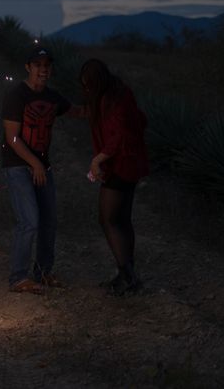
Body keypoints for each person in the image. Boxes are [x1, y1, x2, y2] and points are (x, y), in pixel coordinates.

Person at [2, 47, 84, 295]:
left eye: (46, 65)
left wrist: (104, 103)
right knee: (29, 221)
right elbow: (12, 138)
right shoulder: (17, 95)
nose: (43, 69)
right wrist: (34, 164)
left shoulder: (52, 97)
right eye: (37, 65)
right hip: (18, 165)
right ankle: (18, 277)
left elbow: (77, 112)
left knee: (49, 221)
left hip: (41, 167)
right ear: (28, 67)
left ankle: (43, 272)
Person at [79, 58, 148, 295]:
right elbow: (140, 120)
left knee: (107, 219)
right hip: (133, 165)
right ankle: (125, 274)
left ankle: (129, 277)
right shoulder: (120, 92)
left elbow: (117, 135)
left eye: (88, 85)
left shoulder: (110, 100)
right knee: (123, 220)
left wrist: (98, 159)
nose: (86, 89)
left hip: (121, 166)